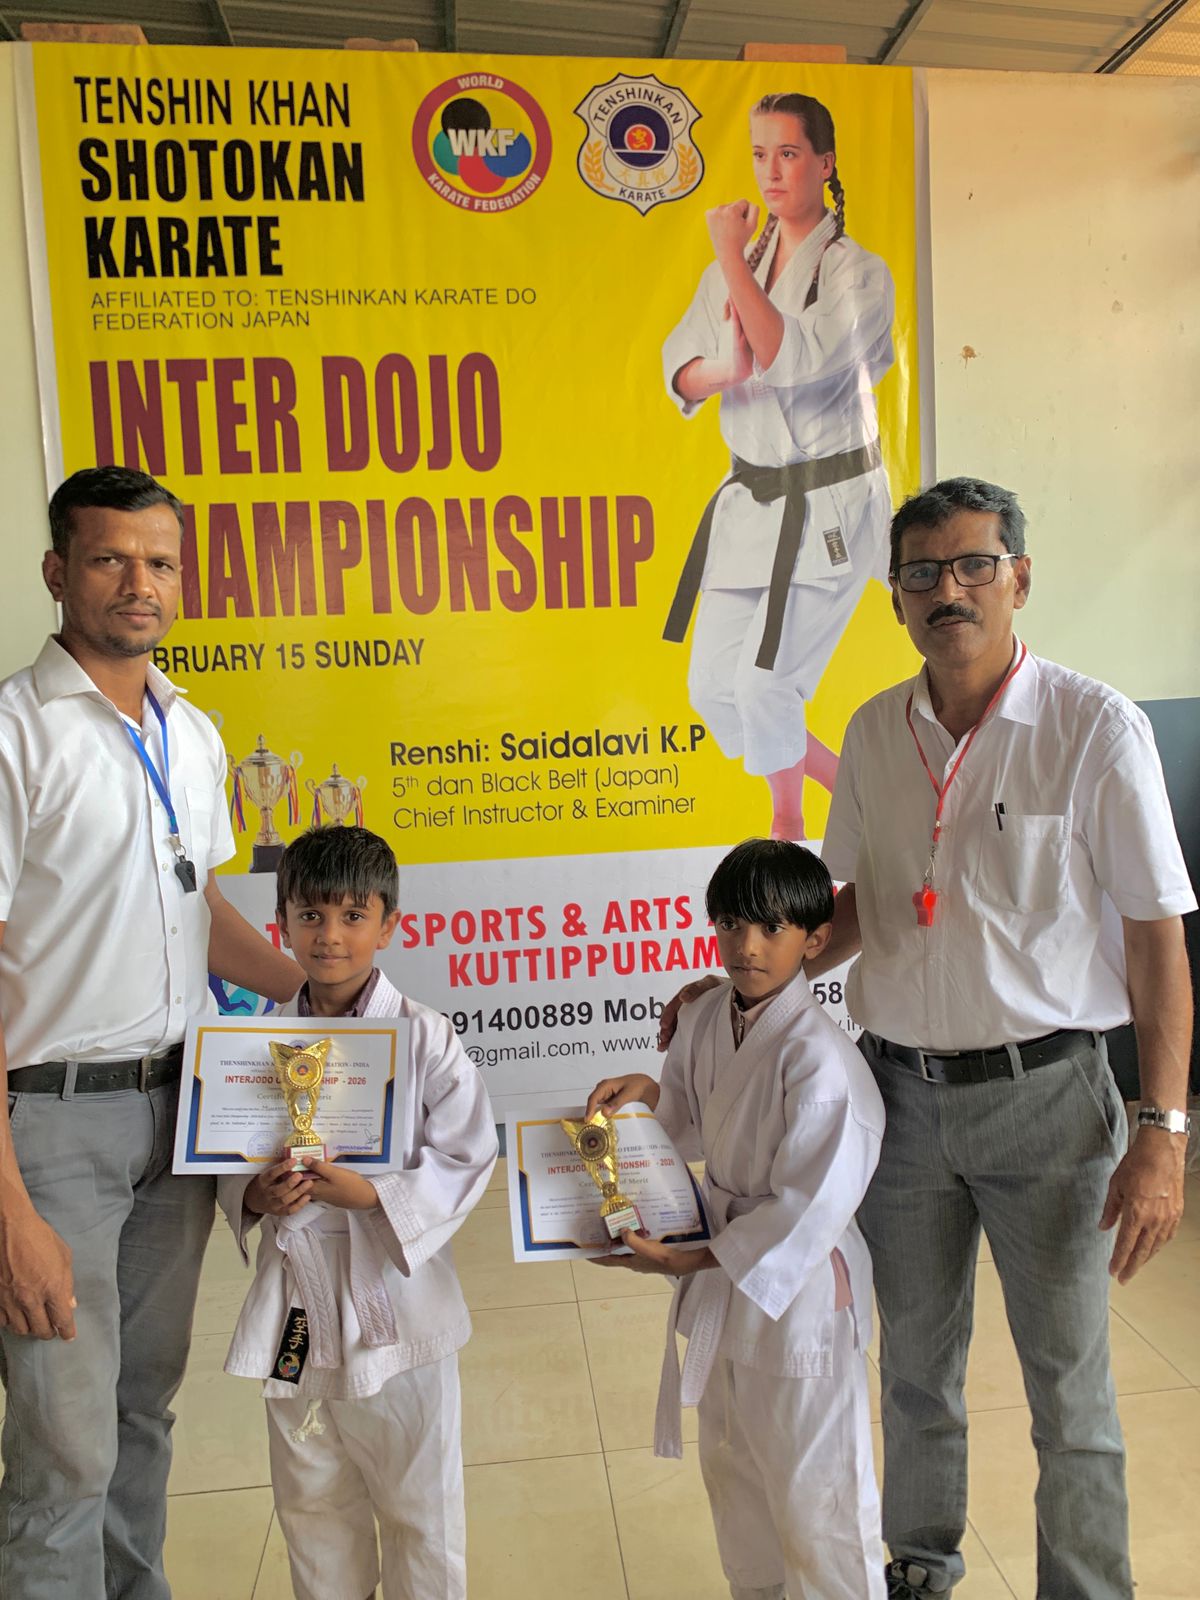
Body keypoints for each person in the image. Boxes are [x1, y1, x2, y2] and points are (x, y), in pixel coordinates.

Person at [662, 477, 1196, 1599]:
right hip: (899, 1103)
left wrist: (1163, 1129)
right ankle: (920, 1565)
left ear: (1019, 578)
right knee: (913, 1367)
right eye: (921, 573)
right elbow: (852, 907)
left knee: (1069, 1387)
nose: (948, 590)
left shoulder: (1096, 728)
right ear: (896, 596)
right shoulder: (872, 730)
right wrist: (743, 983)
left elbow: (1156, 941)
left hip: (1051, 1103)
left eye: (973, 565)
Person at [0, 465, 303, 1599]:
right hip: (50, 1129)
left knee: (140, 1412)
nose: (140, 582)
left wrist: (341, 1003)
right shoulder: (14, 736)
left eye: (161, 561)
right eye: (110, 558)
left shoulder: (192, 730)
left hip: (181, 1117)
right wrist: (10, 1211)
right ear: (57, 572)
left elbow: (199, 908)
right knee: (63, 1444)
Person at [587, 838, 886, 1600]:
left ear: (816, 940)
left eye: (771, 928)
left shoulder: (821, 1061)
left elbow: (809, 1206)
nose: (746, 946)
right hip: (725, 1274)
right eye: (731, 926)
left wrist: (687, 1259)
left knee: (816, 1497)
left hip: (800, 1292)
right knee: (735, 1471)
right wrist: (649, 1095)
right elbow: (690, 1123)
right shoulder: (706, 1016)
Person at [218, 825, 498, 1600]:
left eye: (352, 916)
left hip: (397, 1306)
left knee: (422, 1511)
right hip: (296, 1306)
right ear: (281, 922)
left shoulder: (425, 1036)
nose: (330, 936)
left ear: (388, 925)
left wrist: (373, 1196)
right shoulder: (255, 1040)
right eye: (310, 915)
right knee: (310, 1506)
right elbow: (228, 1156)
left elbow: (469, 1154)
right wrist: (255, 1195)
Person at [661, 92, 895, 840]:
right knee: (712, 690)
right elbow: (681, 369)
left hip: (829, 505)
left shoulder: (858, 274)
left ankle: (787, 828)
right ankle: (855, 784)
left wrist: (731, 257)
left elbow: (789, 359)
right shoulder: (731, 273)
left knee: (765, 687)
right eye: (760, 155)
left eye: (788, 154)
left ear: (824, 164)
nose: (771, 171)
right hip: (752, 503)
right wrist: (724, 370)